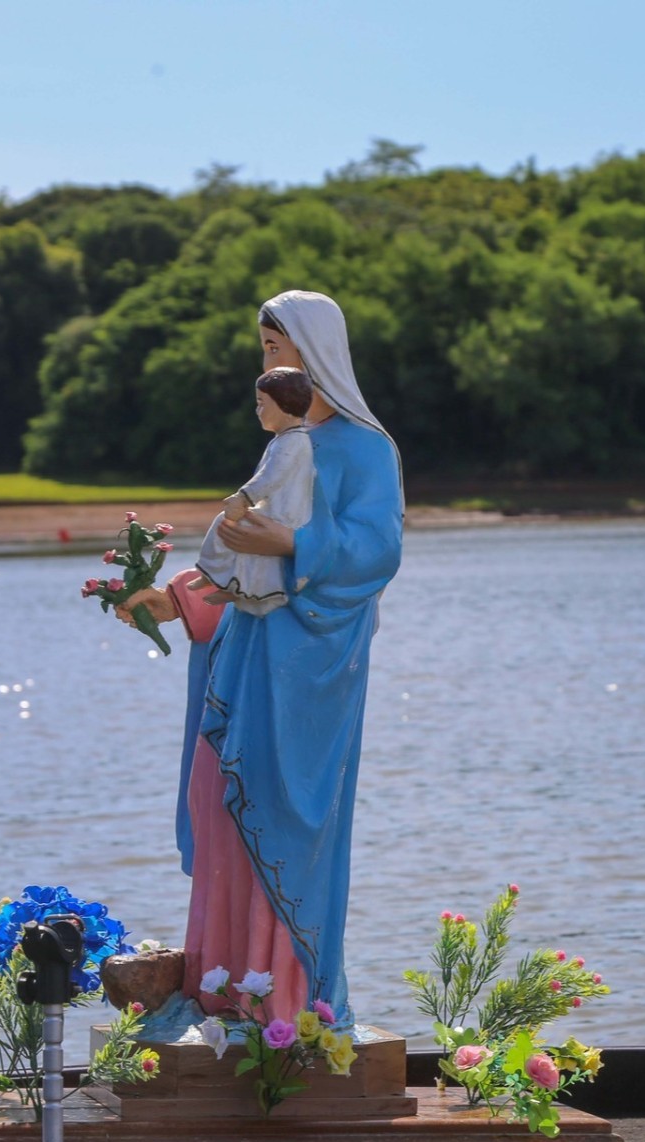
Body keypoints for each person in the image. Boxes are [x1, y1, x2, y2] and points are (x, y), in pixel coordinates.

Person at [122, 289, 403, 1026]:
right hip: (247, 665)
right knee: (223, 807)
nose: (267, 361)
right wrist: (177, 599)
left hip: (309, 676)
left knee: (283, 823)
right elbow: (244, 562)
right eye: (264, 349)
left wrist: (292, 545)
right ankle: (223, 989)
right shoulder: (287, 443)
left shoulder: (365, 448)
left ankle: (283, 1001)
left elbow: (377, 553)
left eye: (275, 347)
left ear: (314, 351)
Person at [193, 366, 317, 615]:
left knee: (229, 524)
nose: (258, 410)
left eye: (262, 403)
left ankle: (225, 579)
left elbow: (270, 478)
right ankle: (224, 579)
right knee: (232, 527)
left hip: (286, 515)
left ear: (284, 404)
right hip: (274, 510)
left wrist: (243, 498)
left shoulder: (294, 442)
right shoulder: (286, 439)